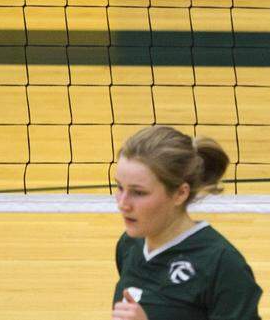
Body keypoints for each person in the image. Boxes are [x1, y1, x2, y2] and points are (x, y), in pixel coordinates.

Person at [112, 125, 261, 320]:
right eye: (119, 187)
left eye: (138, 192)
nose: (123, 204)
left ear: (180, 193)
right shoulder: (129, 245)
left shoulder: (222, 264)